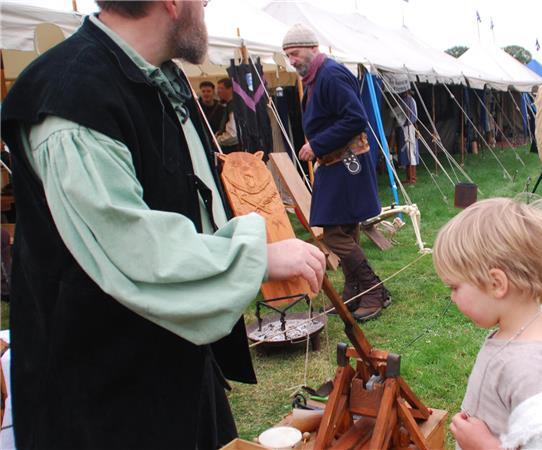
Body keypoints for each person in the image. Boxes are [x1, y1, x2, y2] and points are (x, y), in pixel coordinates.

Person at [0, 1, 326, 448]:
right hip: (103, 389)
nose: (207, 7)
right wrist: (257, 257)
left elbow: (187, 201)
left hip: (171, 357)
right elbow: (134, 246)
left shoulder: (153, 75)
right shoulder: (73, 98)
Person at [433, 197, 542, 449]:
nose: (452, 297)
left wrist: (485, 446)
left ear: (496, 284)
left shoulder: (530, 370)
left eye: (455, 287)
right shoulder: (537, 322)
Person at [283, 23, 391, 321]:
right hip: (337, 163)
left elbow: (356, 117)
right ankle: (355, 292)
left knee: (332, 233)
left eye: (295, 53)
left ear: (313, 49)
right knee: (345, 228)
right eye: (287, 56)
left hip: (345, 162)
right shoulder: (318, 77)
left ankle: (373, 289)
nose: (291, 60)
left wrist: (316, 144)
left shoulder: (330, 74)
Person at [395, 90, 419, 185]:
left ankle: (412, 178)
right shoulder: (412, 100)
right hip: (410, 126)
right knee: (409, 151)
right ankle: (409, 177)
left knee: (410, 152)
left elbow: (394, 112)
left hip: (408, 127)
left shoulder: (406, 100)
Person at [215, 77, 240, 152]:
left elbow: (233, 134)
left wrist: (218, 140)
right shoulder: (230, 105)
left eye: (221, 88)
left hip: (233, 151)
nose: (218, 91)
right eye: (218, 88)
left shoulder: (233, 105)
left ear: (230, 89)